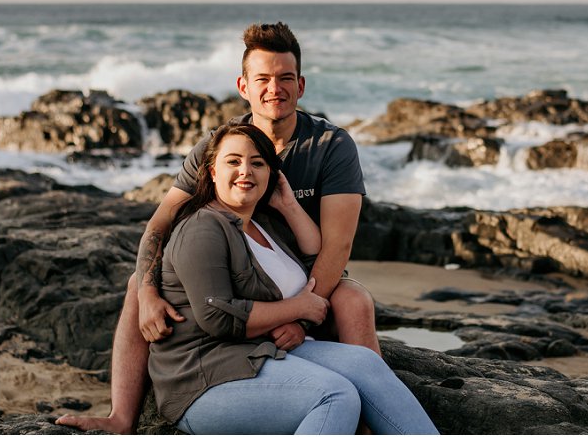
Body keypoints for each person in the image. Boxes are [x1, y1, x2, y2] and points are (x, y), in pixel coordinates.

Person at [57, 22, 379, 433]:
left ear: (300, 85)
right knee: (137, 282)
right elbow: (160, 223)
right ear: (243, 85)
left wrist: (300, 317)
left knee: (355, 301)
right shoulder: (222, 147)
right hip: (236, 277)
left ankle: (366, 421)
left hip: (308, 277)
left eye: (284, 78)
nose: (273, 89)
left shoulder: (330, 145)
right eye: (262, 79)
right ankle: (121, 416)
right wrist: (149, 292)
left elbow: (338, 246)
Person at [147, 122, 437, 434]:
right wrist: (299, 309)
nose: (245, 170)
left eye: (257, 163)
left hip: (260, 352)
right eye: (233, 161)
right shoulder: (203, 227)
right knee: (335, 395)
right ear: (212, 171)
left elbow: (315, 258)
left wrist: (288, 205)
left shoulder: (262, 225)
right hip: (204, 377)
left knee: (365, 364)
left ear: (271, 174)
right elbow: (217, 316)